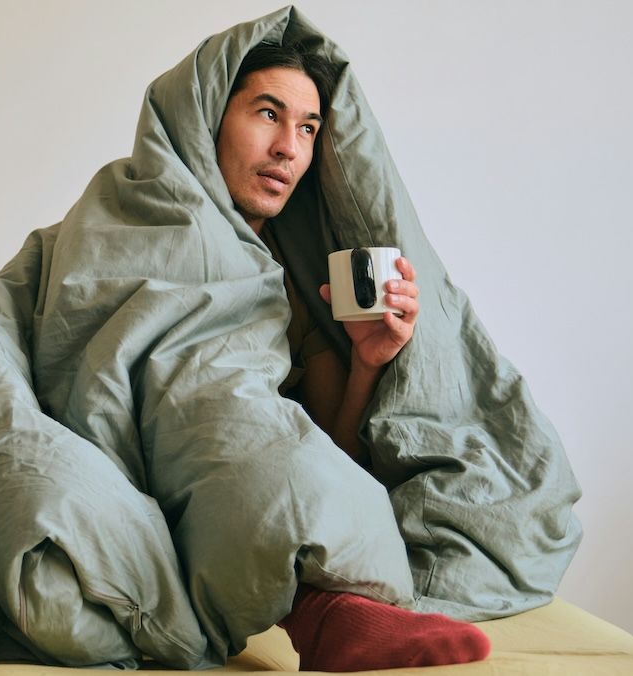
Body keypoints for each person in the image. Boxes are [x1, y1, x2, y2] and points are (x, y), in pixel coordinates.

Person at [212, 43, 491, 672]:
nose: (289, 146)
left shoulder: (291, 285)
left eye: (308, 128)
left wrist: (370, 360)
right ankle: (322, 613)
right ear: (209, 115)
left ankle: (332, 611)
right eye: (266, 113)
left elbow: (328, 462)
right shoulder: (129, 224)